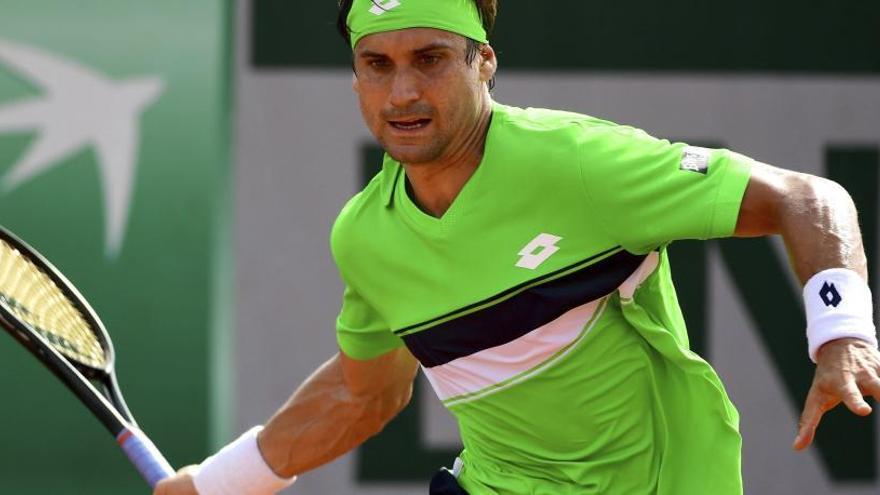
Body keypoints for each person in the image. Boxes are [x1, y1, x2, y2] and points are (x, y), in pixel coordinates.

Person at [156, 0, 880, 493]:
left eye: (430, 58)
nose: (402, 91)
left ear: (483, 63)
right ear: (356, 79)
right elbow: (361, 391)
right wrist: (220, 481)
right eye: (377, 65)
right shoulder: (366, 235)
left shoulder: (579, 165)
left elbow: (808, 198)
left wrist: (840, 333)